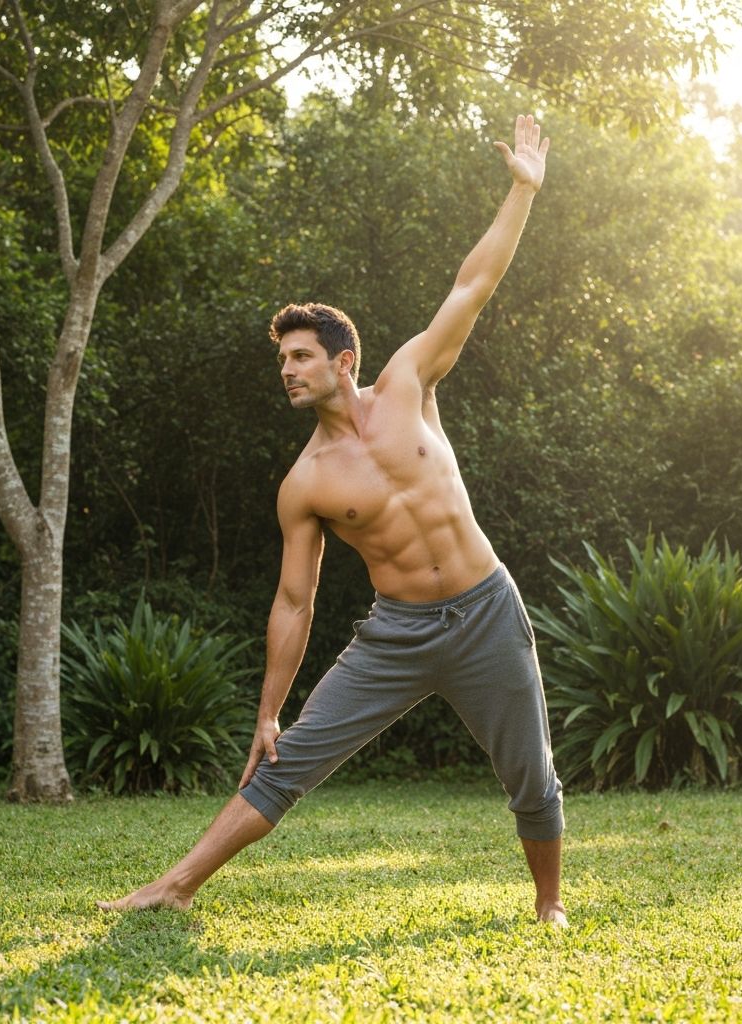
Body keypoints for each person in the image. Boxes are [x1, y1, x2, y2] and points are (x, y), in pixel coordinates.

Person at [98, 114, 566, 926]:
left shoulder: (410, 382)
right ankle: (172, 886)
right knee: (290, 761)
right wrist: (270, 708)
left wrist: (522, 190)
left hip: (487, 610)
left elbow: (473, 284)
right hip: (398, 633)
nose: (286, 370)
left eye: (300, 356)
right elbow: (294, 601)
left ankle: (549, 905)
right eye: (281, 360)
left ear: (342, 361)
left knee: (530, 771)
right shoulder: (305, 482)